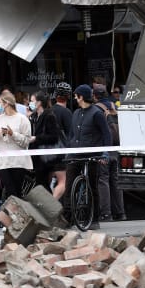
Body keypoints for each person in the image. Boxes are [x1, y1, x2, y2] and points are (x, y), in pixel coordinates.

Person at [63, 84, 112, 230]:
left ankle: (94, 218)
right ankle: (68, 217)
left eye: (76, 96)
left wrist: (105, 154)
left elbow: (106, 134)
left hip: (92, 155)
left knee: (92, 185)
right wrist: (69, 150)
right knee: (69, 185)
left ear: (81, 97)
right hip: (75, 154)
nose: (75, 98)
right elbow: (72, 134)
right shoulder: (76, 113)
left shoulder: (96, 113)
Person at [92, 86, 126, 222]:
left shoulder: (96, 109)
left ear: (94, 96)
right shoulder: (114, 106)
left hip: (104, 148)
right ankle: (120, 213)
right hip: (116, 148)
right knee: (116, 180)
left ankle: (106, 213)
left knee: (103, 180)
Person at [0, 92, 33, 199]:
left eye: (0, 103)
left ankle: (17, 214)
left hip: (18, 162)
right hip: (3, 162)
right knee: (10, 190)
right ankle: (11, 214)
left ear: (6, 103)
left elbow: (26, 141)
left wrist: (12, 133)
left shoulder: (22, 119)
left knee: (17, 191)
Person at [28, 91, 66, 200]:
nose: (30, 103)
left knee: (42, 186)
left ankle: (51, 209)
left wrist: (36, 138)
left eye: (32, 101)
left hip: (46, 158)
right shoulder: (34, 117)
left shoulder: (49, 116)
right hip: (38, 157)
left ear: (39, 103)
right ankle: (50, 210)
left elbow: (53, 137)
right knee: (42, 185)